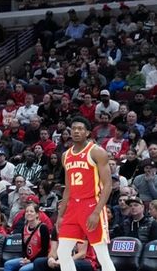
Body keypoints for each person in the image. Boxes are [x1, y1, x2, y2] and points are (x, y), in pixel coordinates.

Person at [56, 116, 116, 271]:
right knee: (62, 252)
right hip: (72, 208)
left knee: (102, 254)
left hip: (91, 205)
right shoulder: (66, 155)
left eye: (80, 128)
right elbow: (68, 188)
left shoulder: (97, 152)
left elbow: (108, 184)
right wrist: (61, 215)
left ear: (88, 132)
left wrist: (97, 212)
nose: (76, 131)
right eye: (74, 128)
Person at [3, 203, 50, 271]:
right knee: (8, 264)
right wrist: (25, 258)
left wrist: (30, 260)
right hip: (28, 258)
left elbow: (44, 251)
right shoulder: (24, 228)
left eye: (31, 211)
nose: (28, 213)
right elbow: (24, 247)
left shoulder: (43, 228)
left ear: (37, 214)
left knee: (23, 270)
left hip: (39, 260)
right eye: (27, 211)